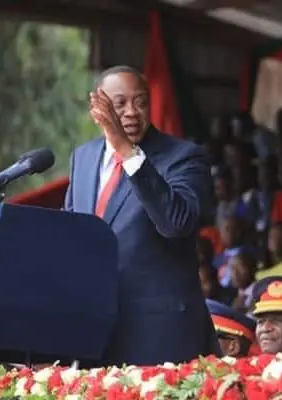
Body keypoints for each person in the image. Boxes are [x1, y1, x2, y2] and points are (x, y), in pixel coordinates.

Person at [64, 65, 218, 366]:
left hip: (159, 334)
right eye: (120, 103)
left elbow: (177, 223)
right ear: (97, 106)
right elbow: (72, 231)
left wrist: (128, 152)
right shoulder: (83, 158)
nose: (132, 112)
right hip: (94, 329)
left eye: (141, 102)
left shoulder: (183, 157)